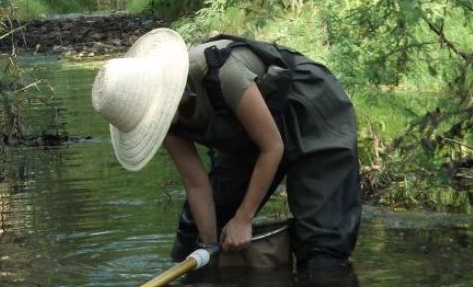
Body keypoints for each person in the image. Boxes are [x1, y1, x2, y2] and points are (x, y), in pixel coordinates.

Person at [91, 28, 361, 270]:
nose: (154, 128)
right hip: (252, 134)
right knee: (195, 237)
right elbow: (196, 184)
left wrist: (244, 218)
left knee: (322, 248)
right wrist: (209, 250)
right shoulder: (163, 123)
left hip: (312, 112)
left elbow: (272, 147)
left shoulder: (223, 73)